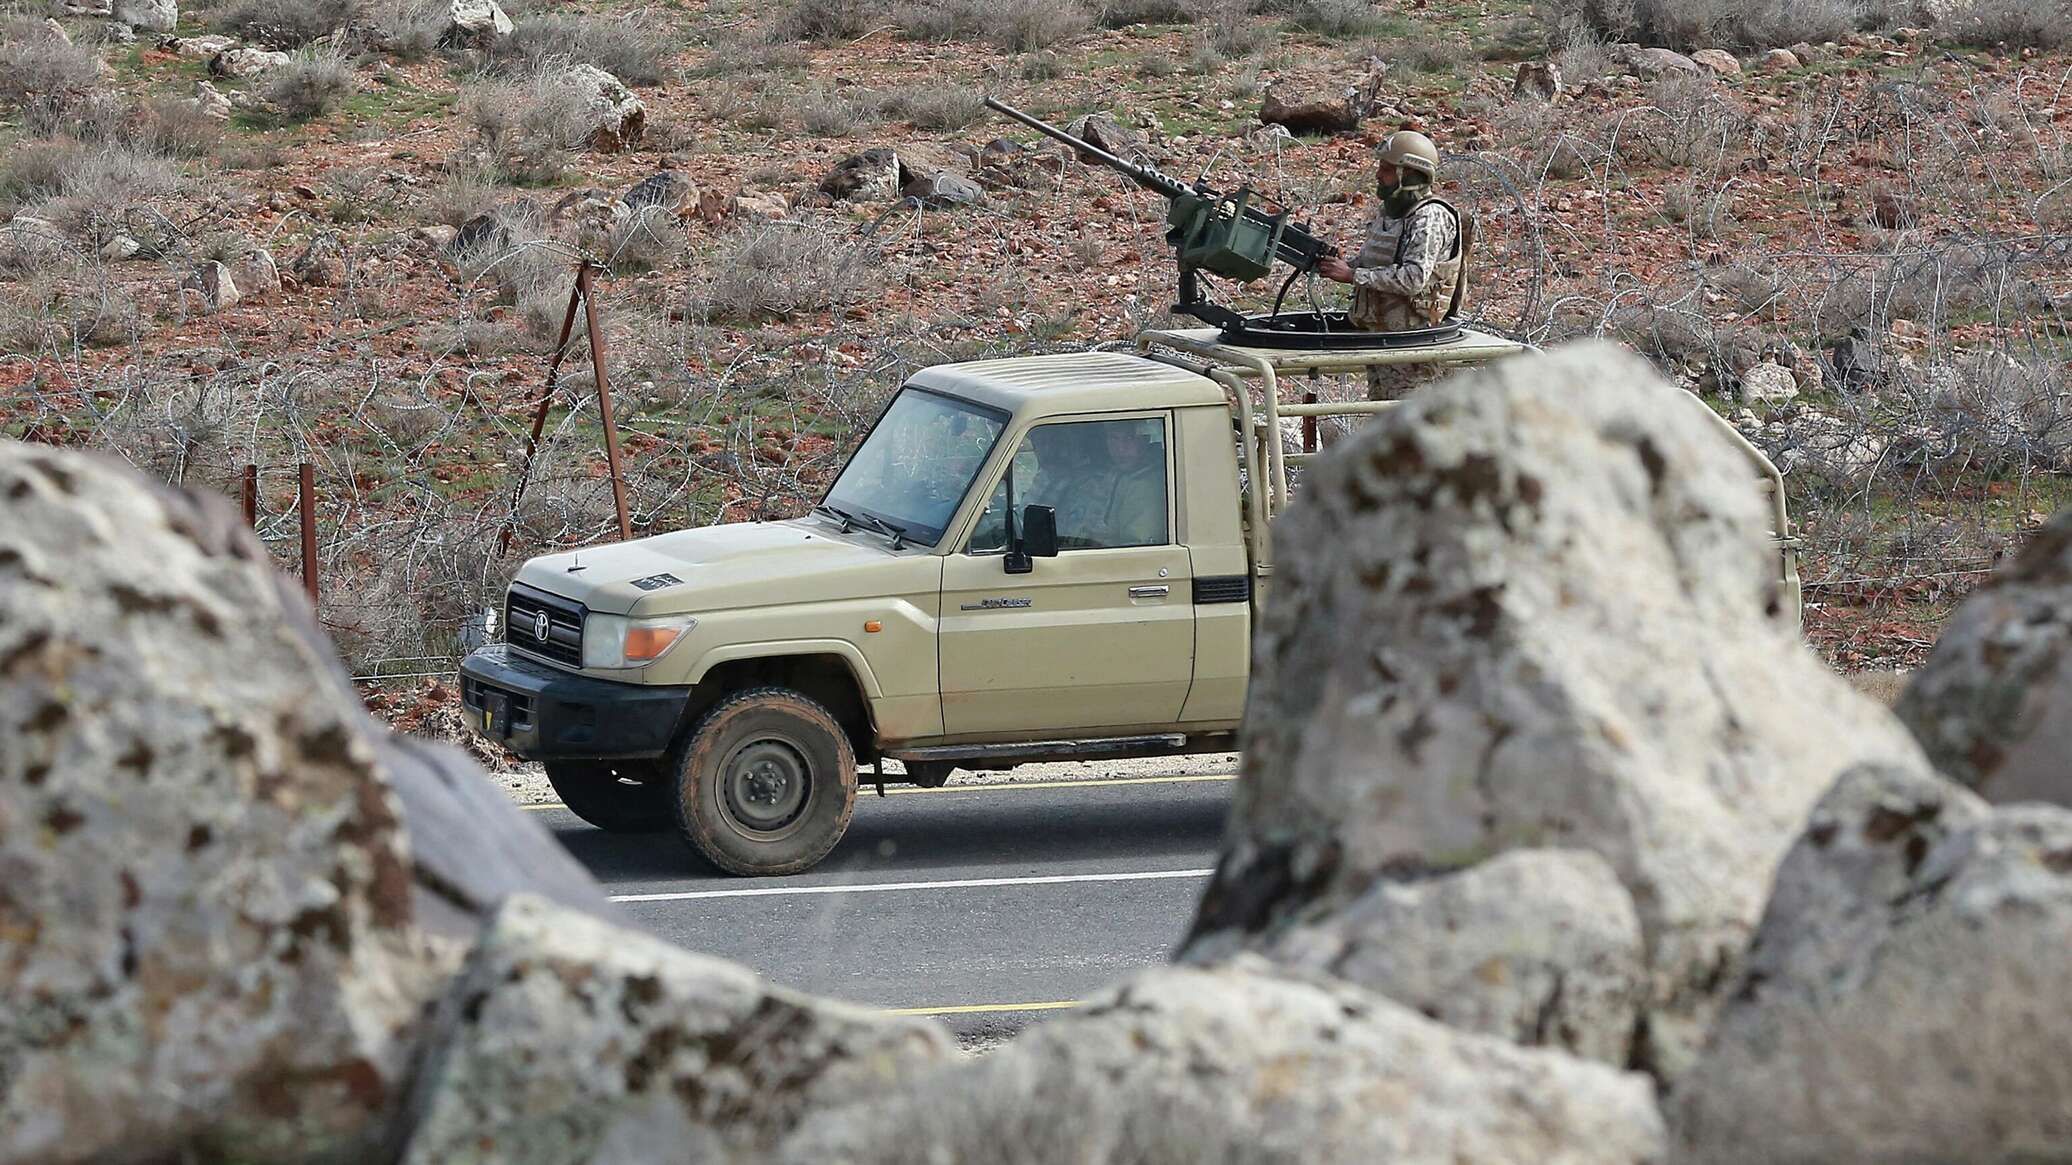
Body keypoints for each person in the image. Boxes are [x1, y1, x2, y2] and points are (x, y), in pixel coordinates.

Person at [1316, 129, 1463, 401]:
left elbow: (1414, 278)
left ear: (1407, 174)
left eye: (1386, 169)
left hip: (1411, 348)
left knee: (1408, 429)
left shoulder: (1429, 217)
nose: (1378, 175)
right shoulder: (1390, 213)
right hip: (1381, 340)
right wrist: (1340, 265)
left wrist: (1353, 275)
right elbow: (1375, 261)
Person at [1097, 421, 1165, 547]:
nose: (1120, 448)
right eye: (1113, 438)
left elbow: (1137, 548)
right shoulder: (1108, 474)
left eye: (1129, 438)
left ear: (1145, 440)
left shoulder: (1146, 485)